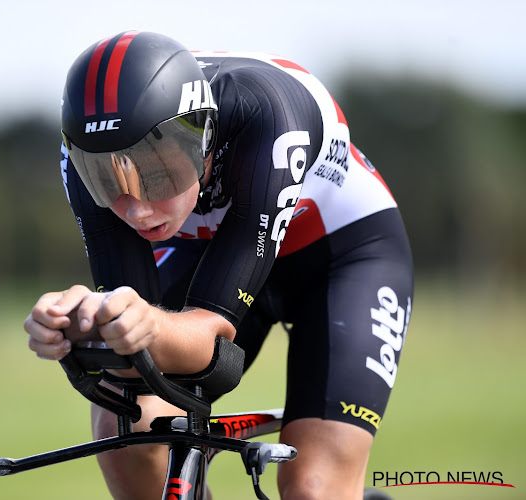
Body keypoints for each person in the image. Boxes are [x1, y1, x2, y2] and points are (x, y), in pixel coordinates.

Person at [25, 30, 413, 500]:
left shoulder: (270, 113)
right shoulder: (80, 152)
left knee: (314, 489)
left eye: (155, 172)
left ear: (203, 138)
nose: (136, 210)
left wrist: (141, 322)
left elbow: (214, 353)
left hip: (342, 255)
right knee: (126, 427)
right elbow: (136, 361)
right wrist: (84, 326)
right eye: (107, 180)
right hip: (208, 247)